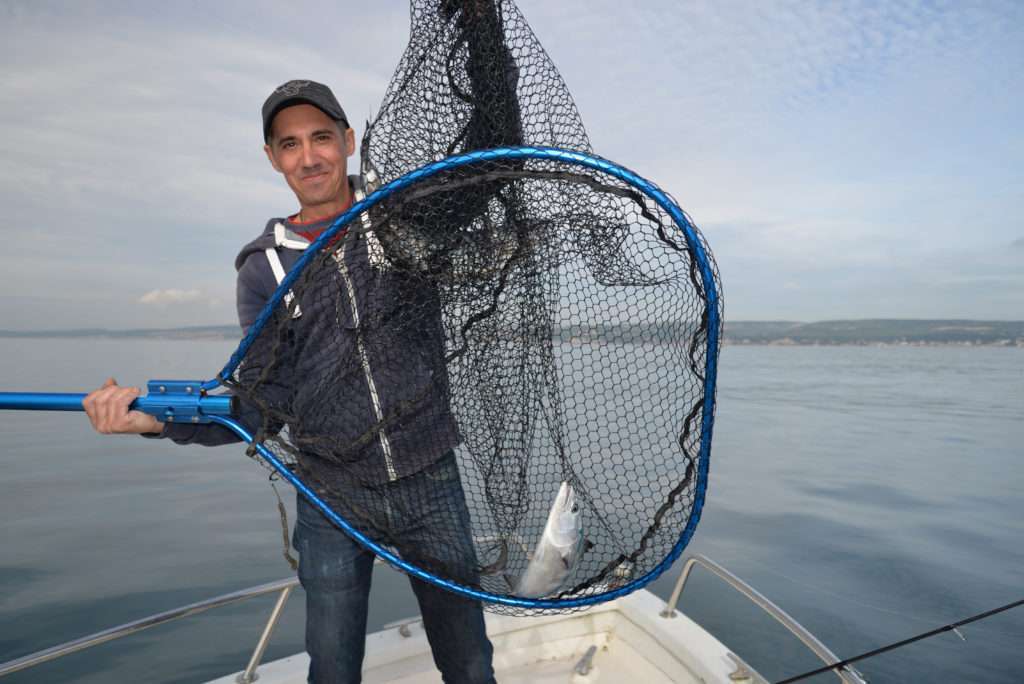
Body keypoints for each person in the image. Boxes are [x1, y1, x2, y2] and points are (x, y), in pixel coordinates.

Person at [83, 79, 496, 684]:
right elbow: (260, 402)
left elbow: (486, 178)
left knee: (468, 661)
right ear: (272, 158)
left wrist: (487, 52)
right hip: (329, 492)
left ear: (348, 141)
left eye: (321, 138)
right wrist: (154, 420)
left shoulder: (402, 218)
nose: (309, 157)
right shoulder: (263, 267)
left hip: (429, 476)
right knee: (331, 665)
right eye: (290, 144)